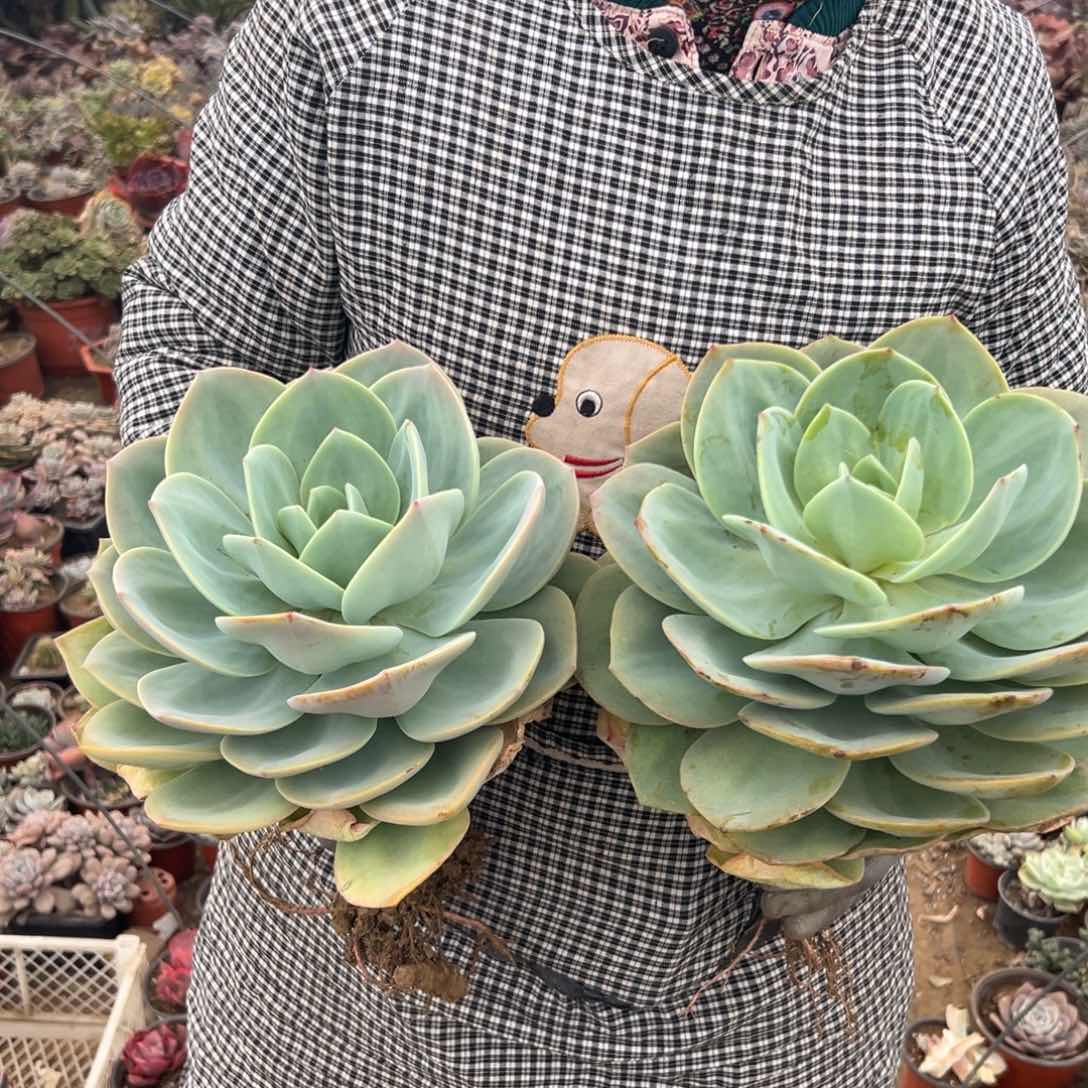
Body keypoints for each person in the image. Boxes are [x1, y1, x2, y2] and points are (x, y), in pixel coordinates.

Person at [114, 0, 1088, 1084]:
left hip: (773, 962)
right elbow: (201, 347)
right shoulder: (361, 32)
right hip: (365, 957)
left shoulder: (965, 60)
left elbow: (1043, 436)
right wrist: (317, 693)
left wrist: (885, 782)